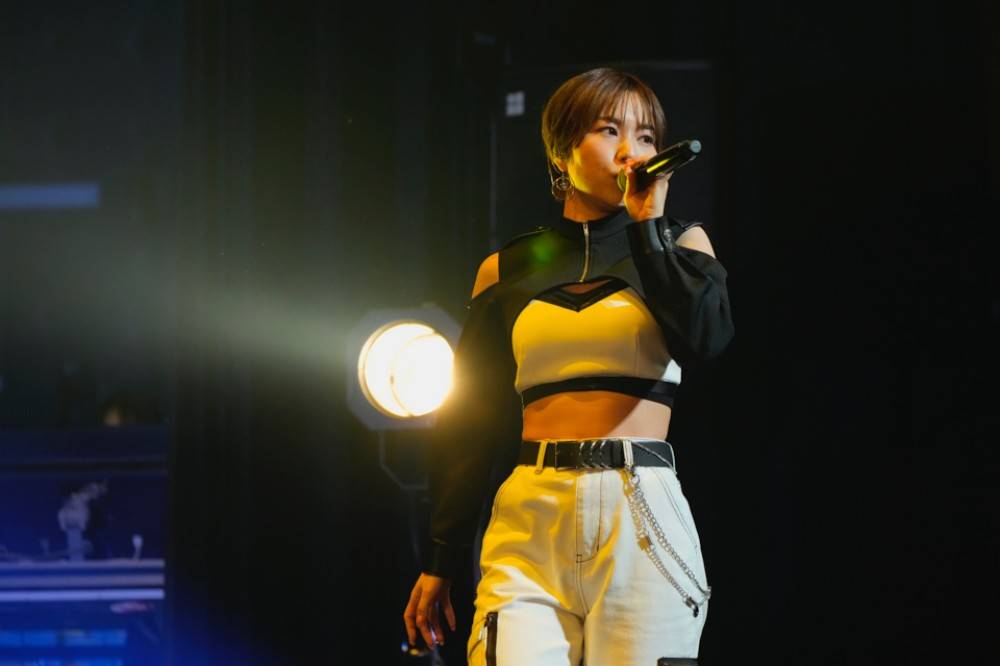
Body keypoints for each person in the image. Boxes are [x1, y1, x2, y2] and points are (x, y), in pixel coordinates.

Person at [403, 67, 734, 665]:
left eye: (646, 136)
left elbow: (706, 343)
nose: (631, 150)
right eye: (610, 131)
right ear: (562, 150)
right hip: (532, 513)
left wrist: (647, 231)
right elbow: (472, 422)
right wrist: (441, 556)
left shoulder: (682, 245)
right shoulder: (506, 269)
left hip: (641, 510)